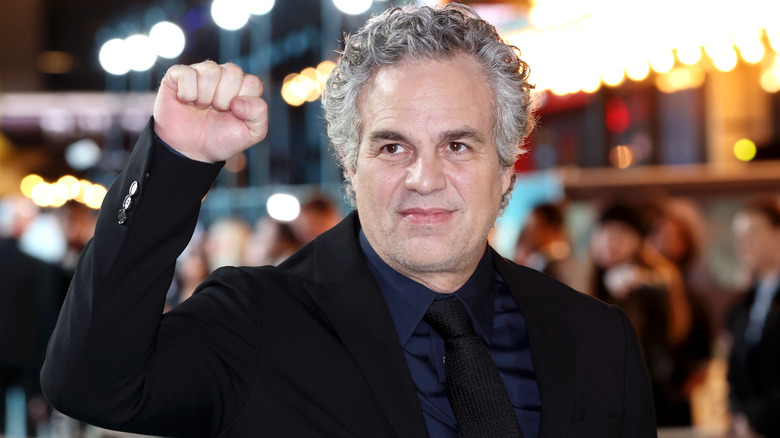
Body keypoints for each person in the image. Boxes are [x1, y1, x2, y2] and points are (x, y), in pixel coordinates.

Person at [41, 4, 656, 437]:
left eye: (458, 146)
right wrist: (175, 162)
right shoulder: (257, 322)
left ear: (506, 169)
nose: (424, 177)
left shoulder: (598, 337)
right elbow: (90, 383)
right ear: (349, 167)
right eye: (392, 147)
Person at [726, 200, 780, 437]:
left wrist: (757, 422)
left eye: (752, 233)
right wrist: (740, 417)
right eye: (738, 237)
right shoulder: (744, 303)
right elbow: (734, 369)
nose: (743, 244)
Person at [514, 202, 580, 288]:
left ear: (553, 229)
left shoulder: (557, 261)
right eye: (527, 227)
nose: (529, 234)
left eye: (535, 227)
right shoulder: (537, 259)